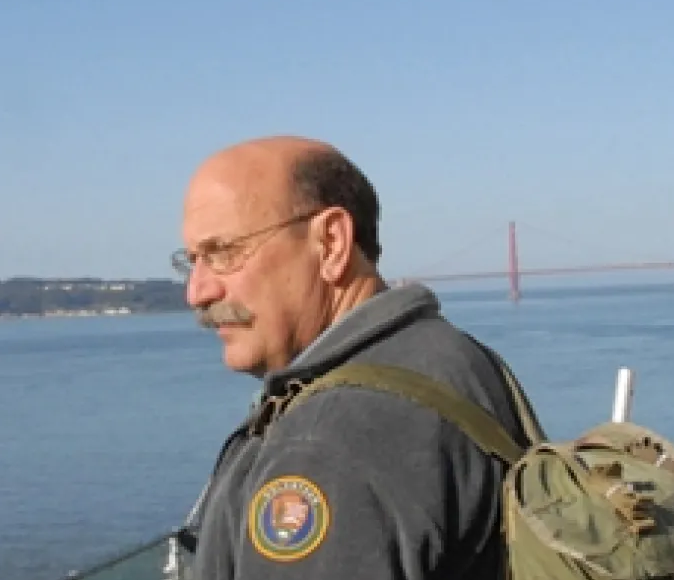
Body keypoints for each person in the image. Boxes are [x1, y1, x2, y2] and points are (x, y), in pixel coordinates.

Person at [171, 135, 538, 579]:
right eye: (192, 261)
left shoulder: (330, 442)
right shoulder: (456, 359)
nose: (197, 292)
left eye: (224, 253)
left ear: (330, 243)